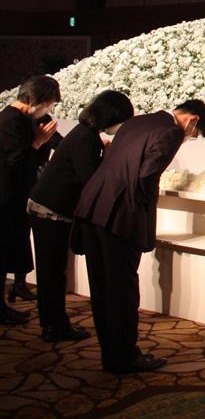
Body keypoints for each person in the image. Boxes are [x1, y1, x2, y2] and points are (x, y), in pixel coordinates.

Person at [74, 98, 205, 374]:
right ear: (192, 120)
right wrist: (143, 219)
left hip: (92, 208)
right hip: (120, 217)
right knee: (122, 290)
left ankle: (111, 355)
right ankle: (125, 356)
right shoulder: (171, 131)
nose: (189, 138)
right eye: (194, 135)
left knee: (102, 288)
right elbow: (146, 178)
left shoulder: (137, 121)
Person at [28, 90, 135, 343]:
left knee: (53, 271)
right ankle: (54, 326)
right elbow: (89, 178)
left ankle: (54, 324)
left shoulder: (85, 134)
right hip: (50, 210)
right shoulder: (87, 139)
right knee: (52, 272)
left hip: (49, 207)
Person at [0, 74, 61, 325]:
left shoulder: (32, 119)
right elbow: (14, 162)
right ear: (35, 99)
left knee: (13, 247)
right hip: (6, 197)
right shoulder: (9, 120)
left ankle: (12, 295)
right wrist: (37, 143)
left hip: (20, 195)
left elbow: (57, 141)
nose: (48, 108)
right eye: (48, 102)